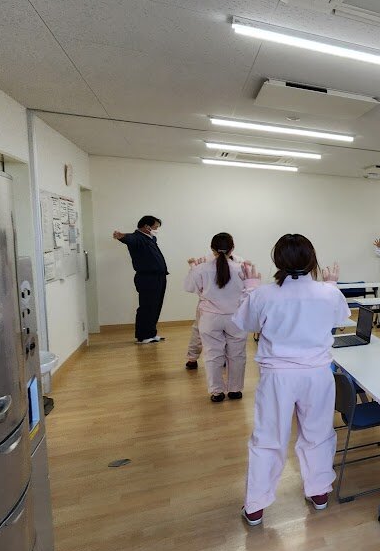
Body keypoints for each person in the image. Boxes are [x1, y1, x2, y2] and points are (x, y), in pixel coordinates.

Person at [234, 234, 350, 526]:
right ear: (312, 260)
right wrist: (331, 285)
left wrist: (250, 288)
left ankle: (256, 506)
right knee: (318, 432)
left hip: (278, 376)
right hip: (317, 374)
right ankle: (319, 491)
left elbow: (247, 324)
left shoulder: (264, 294)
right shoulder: (328, 293)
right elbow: (338, 318)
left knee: (268, 437)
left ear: (278, 261)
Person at [183, 233, 247, 403]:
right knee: (237, 355)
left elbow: (189, 287)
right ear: (232, 249)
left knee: (212, 354)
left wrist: (193, 269)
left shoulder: (201, 268)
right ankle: (235, 390)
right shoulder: (242, 268)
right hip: (236, 318)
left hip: (210, 319)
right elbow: (249, 292)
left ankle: (217, 392)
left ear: (212, 249)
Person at [112, 215, 168, 344]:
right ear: (147, 226)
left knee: (156, 306)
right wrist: (122, 236)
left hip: (159, 277)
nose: (157, 229)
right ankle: (143, 336)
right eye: (155, 227)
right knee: (147, 306)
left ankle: (151, 333)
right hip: (147, 278)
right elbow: (129, 238)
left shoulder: (151, 238)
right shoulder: (137, 237)